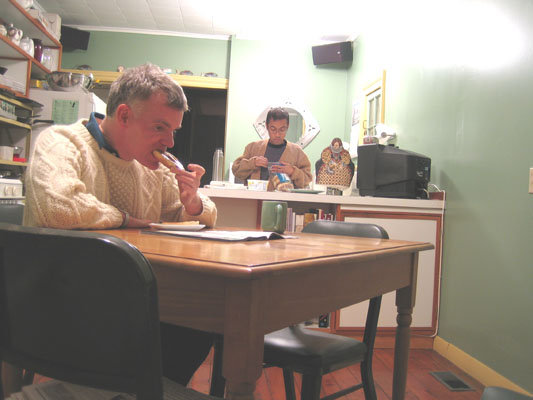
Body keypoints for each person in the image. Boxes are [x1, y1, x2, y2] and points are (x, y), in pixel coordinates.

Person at [23, 63, 216, 386]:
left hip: (122, 304)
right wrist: (126, 220)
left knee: (202, 318)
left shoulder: (153, 169)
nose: (169, 142)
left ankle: (137, 390)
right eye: (159, 127)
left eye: (174, 130)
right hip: (59, 307)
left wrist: (193, 201)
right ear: (124, 115)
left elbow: (204, 213)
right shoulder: (61, 142)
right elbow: (58, 207)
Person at [232, 107, 312, 188]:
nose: (277, 134)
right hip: (255, 195)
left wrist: (292, 171)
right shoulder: (253, 148)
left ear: (287, 127)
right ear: (267, 126)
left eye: (282, 129)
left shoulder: (297, 152)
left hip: (285, 196)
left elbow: (308, 180)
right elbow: (236, 171)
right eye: (273, 129)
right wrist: (253, 163)